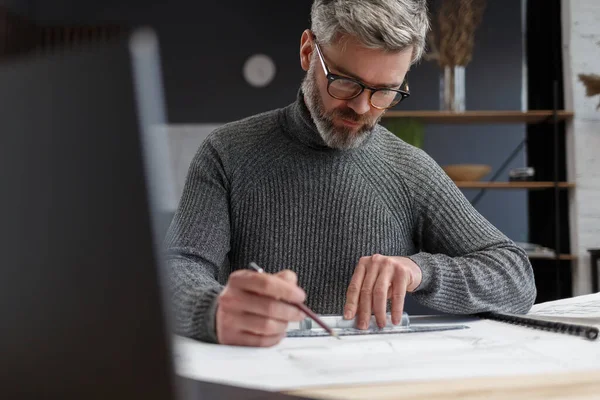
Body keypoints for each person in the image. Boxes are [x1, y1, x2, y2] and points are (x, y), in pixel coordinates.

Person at [164, 0, 536, 347]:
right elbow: (176, 269)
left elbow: (515, 276)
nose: (361, 107)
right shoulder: (227, 153)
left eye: (385, 91)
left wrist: (420, 271)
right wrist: (215, 310)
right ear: (308, 52)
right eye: (345, 81)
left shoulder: (410, 169)